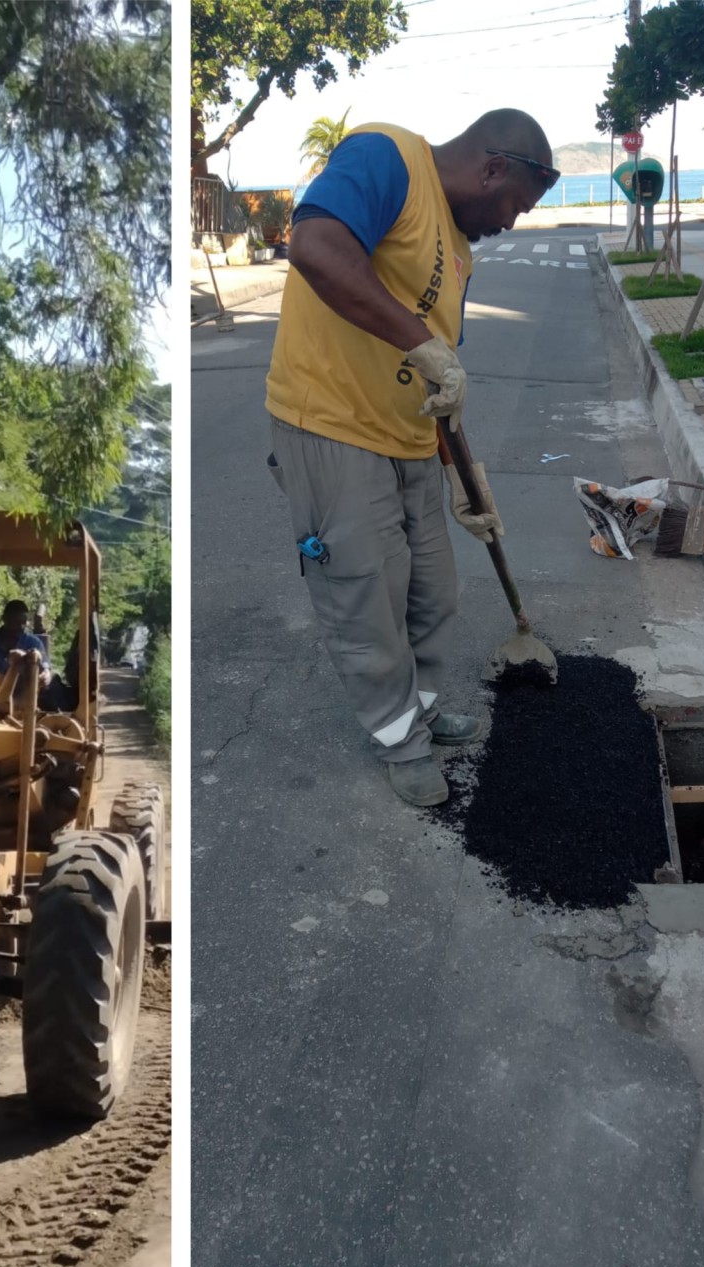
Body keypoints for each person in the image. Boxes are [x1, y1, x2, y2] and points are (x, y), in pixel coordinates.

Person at [264, 109, 557, 807]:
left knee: (434, 595)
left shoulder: (459, 252)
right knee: (365, 601)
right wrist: (418, 341)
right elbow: (316, 245)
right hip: (330, 428)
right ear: (492, 168)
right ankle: (400, 742)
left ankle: (418, 711)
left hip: (409, 444)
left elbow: (437, 381)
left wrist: (465, 481)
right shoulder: (387, 156)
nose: (512, 222)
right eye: (514, 204)